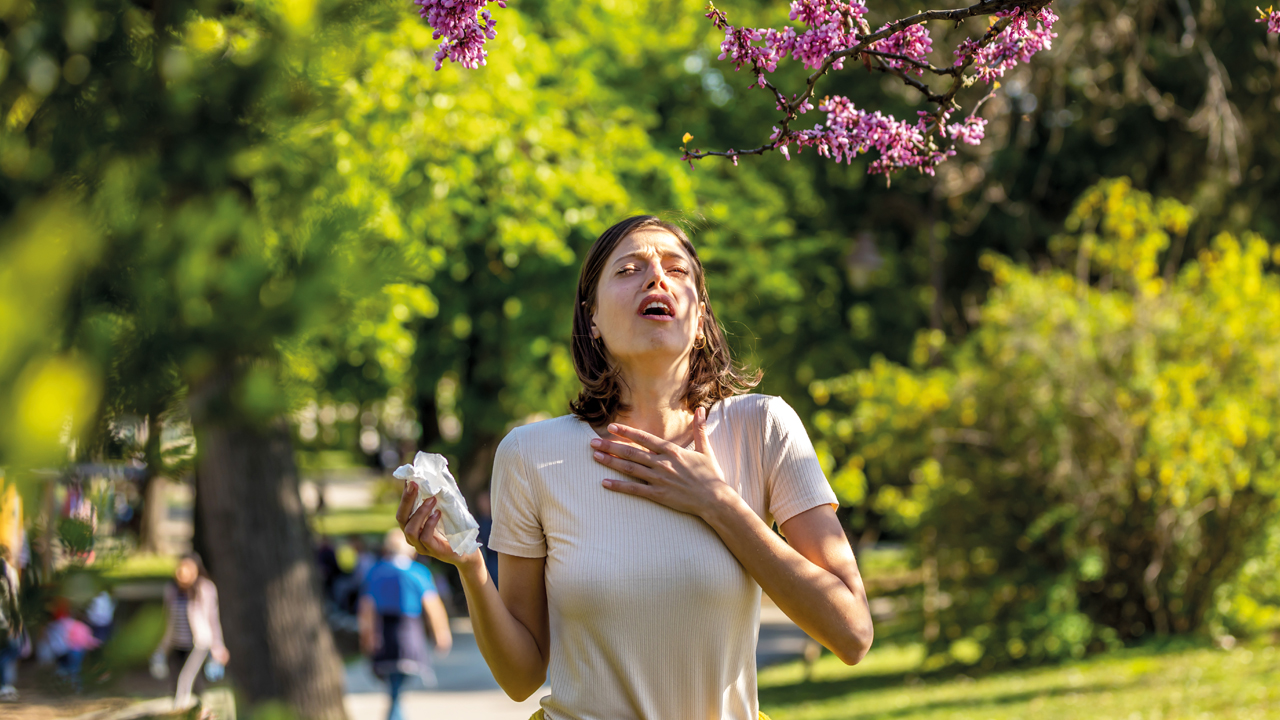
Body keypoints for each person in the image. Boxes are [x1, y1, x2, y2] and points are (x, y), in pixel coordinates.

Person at [398, 216, 875, 720]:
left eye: (676, 269)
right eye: (629, 269)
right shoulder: (530, 453)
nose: (656, 278)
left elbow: (852, 634)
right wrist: (471, 566)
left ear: (700, 314)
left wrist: (718, 503)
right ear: (593, 319)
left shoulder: (763, 428)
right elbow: (522, 677)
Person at [358, 530, 452, 720]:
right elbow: (433, 606)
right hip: (409, 633)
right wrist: (441, 633)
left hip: (384, 633)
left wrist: (366, 636)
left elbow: (366, 608)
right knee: (396, 689)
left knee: (394, 687)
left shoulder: (376, 572)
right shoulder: (418, 573)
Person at [151, 553, 229, 708]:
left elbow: (212, 619)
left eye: (187, 568)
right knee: (181, 681)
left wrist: (218, 646)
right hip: (176, 643)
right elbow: (167, 620)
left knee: (185, 678)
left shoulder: (205, 589)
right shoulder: (171, 590)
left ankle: (180, 710)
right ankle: (196, 711)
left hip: (198, 644)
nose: (182, 572)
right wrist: (160, 647)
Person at [0, 548, 21, 702]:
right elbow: (12, 599)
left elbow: (11, 600)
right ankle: (4, 685)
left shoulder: (4, 580)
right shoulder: (5, 579)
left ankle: (4, 685)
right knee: (10, 651)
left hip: (4, 622)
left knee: (9, 651)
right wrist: (16, 620)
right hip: (3, 623)